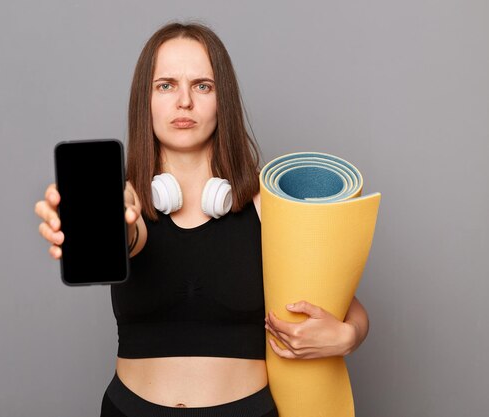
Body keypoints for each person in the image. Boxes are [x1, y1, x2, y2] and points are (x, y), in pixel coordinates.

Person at [34, 21, 369, 417]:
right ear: (146, 100)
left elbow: (345, 304)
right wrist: (104, 223)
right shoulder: (128, 203)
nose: (184, 102)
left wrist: (349, 336)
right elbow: (130, 233)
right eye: (166, 85)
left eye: (202, 85)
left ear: (221, 100)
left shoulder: (268, 206)